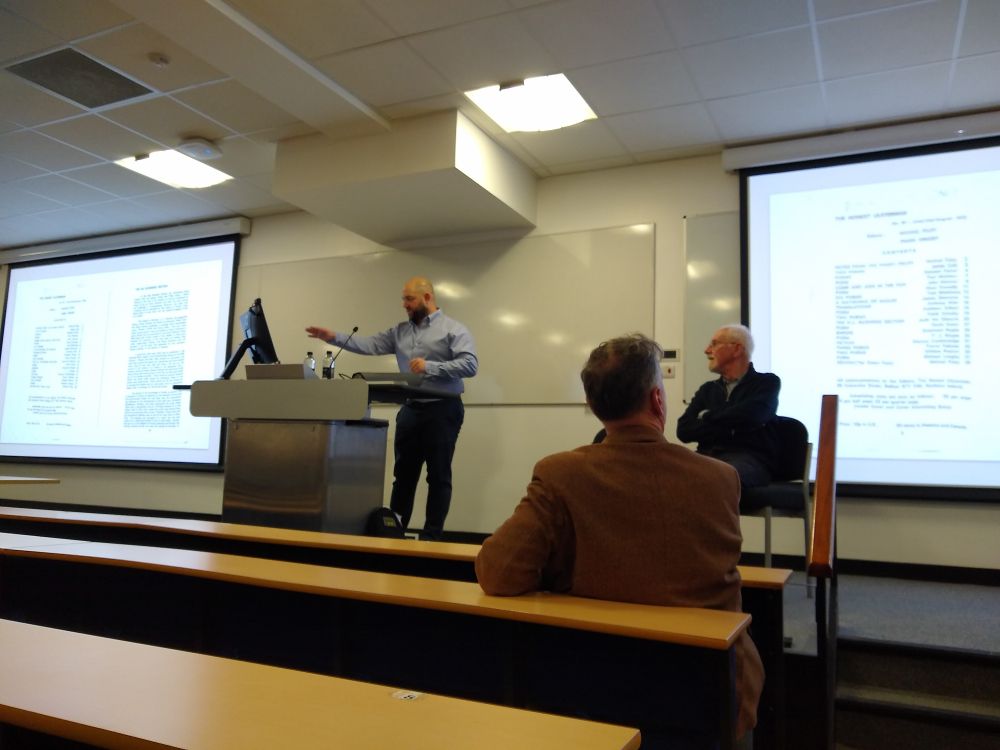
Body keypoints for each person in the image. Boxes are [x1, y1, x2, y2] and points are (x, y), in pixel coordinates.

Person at [476, 333, 763, 742]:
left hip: (592, 694)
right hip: (712, 690)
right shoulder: (720, 478)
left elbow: (499, 573)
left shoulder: (560, 473)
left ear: (593, 406)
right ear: (657, 401)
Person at [306, 276, 477, 540]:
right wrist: (334, 337)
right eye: (403, 299)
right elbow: (369, 344)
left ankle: (432, 539)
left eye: (409, 299)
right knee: (404, 476)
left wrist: (431, 366)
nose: (404, 304)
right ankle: (395, 535)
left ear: (427, 298)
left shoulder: (453, 330)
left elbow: (470, 365)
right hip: (411, 409)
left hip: (443, 410)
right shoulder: (399, 332)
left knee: (438, 476)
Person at [676, 324, 780, 489]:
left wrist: (707, 416)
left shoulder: (766, 383)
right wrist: (732, 426)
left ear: (737, 349)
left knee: (716, 476)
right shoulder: (707, 389)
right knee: (667, 474)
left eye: (714, 344)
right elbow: (684, 430)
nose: (707, 350)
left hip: (749, 459)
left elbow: (754, 416)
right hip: (707, 456)